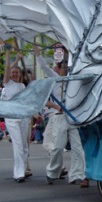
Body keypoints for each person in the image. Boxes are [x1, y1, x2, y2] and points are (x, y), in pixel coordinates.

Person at [33, 45, 88, 187]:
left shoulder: (73, 80)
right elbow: (44, 66)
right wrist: (37, 52)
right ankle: (52, 172)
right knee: (57, 147)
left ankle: (77, 174)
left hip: (72, 118)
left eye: (66, 66)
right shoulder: (55, 79)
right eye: (61, 65)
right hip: (59, 117)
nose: (64, 68)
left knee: (78, 148)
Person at [1, 46, 29, 182]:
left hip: (23, 116)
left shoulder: (23, 86)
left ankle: (23, 168)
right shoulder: (8, 84)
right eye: (13, 72)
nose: (15, 74)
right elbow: (7, 69)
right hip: (11, 117)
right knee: (17, 144)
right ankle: (18, 173)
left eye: (17, 72)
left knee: (23, 145)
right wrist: (10, 55)